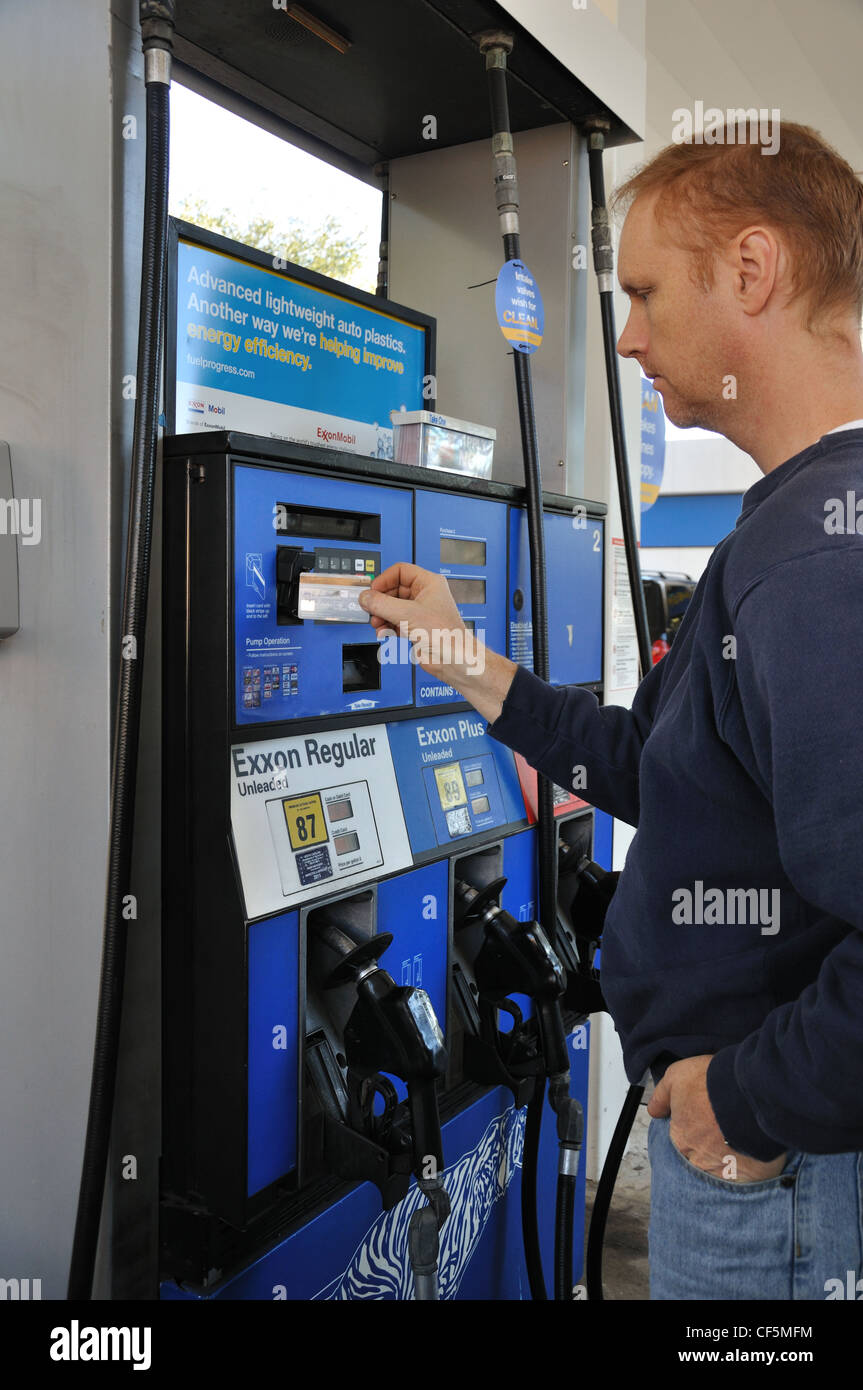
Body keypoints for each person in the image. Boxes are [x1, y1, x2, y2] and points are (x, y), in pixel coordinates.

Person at [359, 120, 863, 1300]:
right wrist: (461, 656)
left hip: (770, 1170)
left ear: (750, 270)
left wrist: (731, 1102)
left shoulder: (816, 558)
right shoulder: (785, 526)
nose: (626, 336)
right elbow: (662, 771)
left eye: (641, 292)